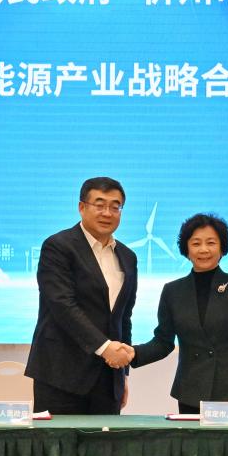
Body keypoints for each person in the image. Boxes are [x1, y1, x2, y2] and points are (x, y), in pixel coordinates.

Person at [130, 213, 228, 414]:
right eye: (196, 243)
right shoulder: (172, 291)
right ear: (186, 249)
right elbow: (163, 342)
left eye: (211, 242)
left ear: (222, 247)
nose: (204, 249)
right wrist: (133, 353)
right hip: (191, 391)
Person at [25, 177, 138, 415]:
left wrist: (123, 374)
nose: (107, 213)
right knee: (58, 441)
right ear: (82, 207)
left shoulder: (128, 257)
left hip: (108, 380)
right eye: (100, 204)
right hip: (60, 375)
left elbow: (123, 318)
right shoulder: (58, 247)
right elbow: (62, 305)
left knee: (106, 440)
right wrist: (105, 348)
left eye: (115, 206)